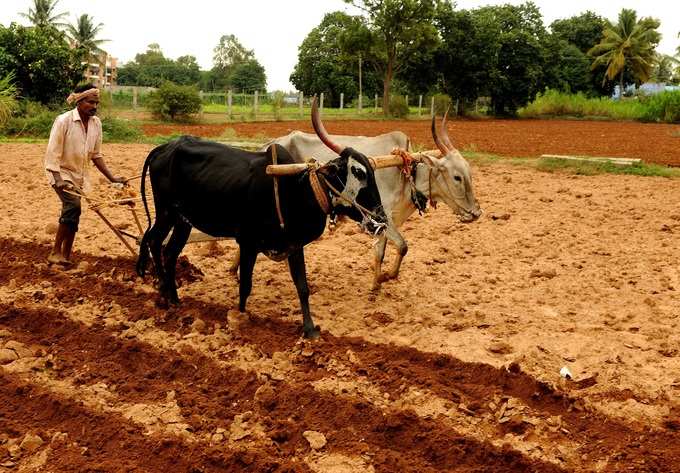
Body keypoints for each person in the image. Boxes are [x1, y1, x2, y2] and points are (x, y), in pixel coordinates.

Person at [44, 83, 126, 266]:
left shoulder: (96, 124)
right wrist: (58, 180)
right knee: (73, 205)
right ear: (79, 102)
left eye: (97, 103)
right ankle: (55, 252)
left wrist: (113, 179)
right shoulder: (63, 121)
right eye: (90, 102)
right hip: (61, 172)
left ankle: (65, 255)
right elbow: (52, 152)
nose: (94, 107)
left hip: (80, 175)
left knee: (75, 211)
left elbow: (96, 155)